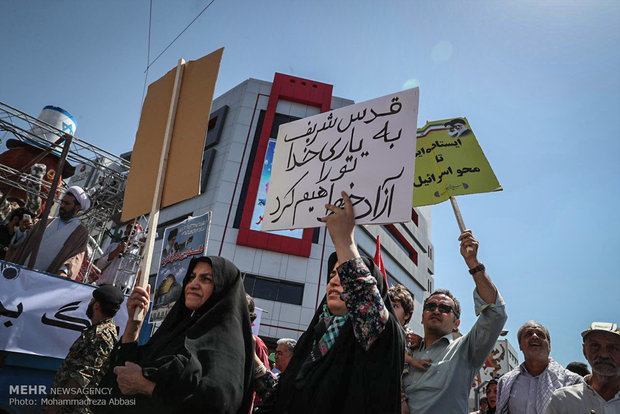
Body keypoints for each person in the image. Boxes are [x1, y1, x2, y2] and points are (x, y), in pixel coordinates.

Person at [253, 192, 404, 414]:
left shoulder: (381, 335)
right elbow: (286, 394)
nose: (334, 280)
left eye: (342, 274)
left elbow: (366, 306)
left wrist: (344, 241)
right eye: (332, 274)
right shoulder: (315, 337)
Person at [101, 256, 254, 413]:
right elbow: (128, 371)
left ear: (222, 289)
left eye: (206, 279)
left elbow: (218, 403)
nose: (193, 285)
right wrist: (134, 324)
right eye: (191, 277)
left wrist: (147, 387)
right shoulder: (180, 330)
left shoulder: (226, 343)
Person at [403, 229, 507, 414]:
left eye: (444, 309)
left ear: (456, 323)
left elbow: (495, 313)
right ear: (421, 316)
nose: (436, 310)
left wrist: (473, 264)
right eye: (430, 306)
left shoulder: (466, 349)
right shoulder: (405, 350)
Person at [44, 285, 124, 414]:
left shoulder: (101, 335)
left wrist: (53, 408)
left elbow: (82, 377)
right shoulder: (96, 331)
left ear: (96, 305)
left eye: (92, 301)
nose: (90, 304)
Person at [497, 321, 583, 414]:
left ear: (549, 346)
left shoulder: (572, 382)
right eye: (528, 334)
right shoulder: (505, 382)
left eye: (541, 335)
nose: (534, 336)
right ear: (520, 346)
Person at [7, 186, 89, 278]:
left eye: (67, 203)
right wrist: (21, 231)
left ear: (77, 207)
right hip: (24, 272)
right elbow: (23, 244)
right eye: (62, 202)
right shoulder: (45, 221)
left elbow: (75, 258)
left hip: (46, 279)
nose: (62, 206)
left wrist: (64, 272)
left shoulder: (80, 232)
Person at [545, 322, 620, 413]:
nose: (604, 354)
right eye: (595, 346)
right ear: (585, 351)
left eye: (613, 348)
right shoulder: (562, 400)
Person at [388, 284, 428, 414]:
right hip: (391, 381)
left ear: (406, 315)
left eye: (395, 306)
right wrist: (412, 361)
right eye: (387, 306)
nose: (390, 310)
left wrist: (419, 341)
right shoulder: (386, 331)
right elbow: (394, 351)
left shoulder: (407, 332)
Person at [96, 222, 143, 291]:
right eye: (129, 227)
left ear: (140, 234)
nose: (132, 229)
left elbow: (142, 267)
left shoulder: (140, 251)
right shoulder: (113, 246)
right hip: (104, 286)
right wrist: (117, 250)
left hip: (123, 290)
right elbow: (99, 265)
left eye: (136, 228)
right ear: (125, 232)